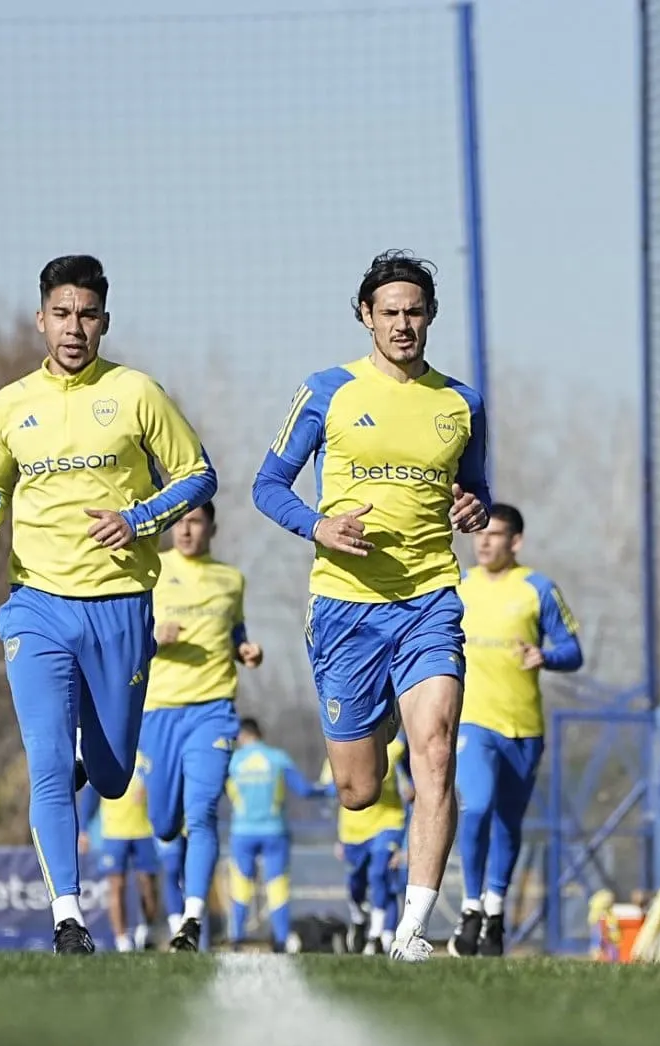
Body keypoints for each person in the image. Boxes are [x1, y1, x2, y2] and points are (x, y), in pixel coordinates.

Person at [0, 255, 216, 955]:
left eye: (88, 315)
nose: (74, 328)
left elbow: (198, 475)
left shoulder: (136, 393)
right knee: (46, 760)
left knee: (110, 774)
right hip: (36, 604)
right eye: (62, 314)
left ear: (105, 321)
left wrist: (137, 518)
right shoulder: (11, 404)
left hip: (120, 605)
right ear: (41, 319)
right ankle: (68, 916)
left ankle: (93, 753)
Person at [252, 249, 490, 962]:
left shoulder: (460, 403)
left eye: (415, 310)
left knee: (438, 751)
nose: (403, 324)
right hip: (345, 608)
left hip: (427, 601)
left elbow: (472, 493)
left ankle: (412, 929)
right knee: (358, 790)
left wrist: (473, 509)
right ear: (366, 316)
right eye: (389, 311)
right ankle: (378, 711)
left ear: (430, 316)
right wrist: (319, 525)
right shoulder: (327, 390)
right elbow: (268, 485)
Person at [449, 504, 583, 957]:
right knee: (477, 805)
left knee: (508, 822)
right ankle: (469, 908)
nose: (484, 542)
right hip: (471, 720)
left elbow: (572, 649)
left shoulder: (537, 589)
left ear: (516, 541)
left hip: (524, 727)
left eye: (496, 534)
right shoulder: (457, 585)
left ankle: (495, 913)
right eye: (479, 534)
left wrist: (546, 657)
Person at [138, 502, 263, 952]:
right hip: (159, 711)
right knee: (165, 823)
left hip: (213, 709)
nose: (186, 531)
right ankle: (181, 886)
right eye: (179, 524)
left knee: (203, 810)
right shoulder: (149, 570)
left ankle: (192, 919)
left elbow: (236, 632)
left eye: (195, 522)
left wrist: (245, 649)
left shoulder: (231, 579)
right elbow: (125, 639)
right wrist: (154, 638)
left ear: (212, 526)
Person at [226, 717, 327, 952]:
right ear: (260, 733)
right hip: (274, 831)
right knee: (277, 885)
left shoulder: (233, 762)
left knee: (241, 885)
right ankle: (281, 940)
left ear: (242, 736)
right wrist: (333, 790)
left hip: (242, 832)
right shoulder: (277, 758)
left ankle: (237, 939)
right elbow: (304, 790)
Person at [322, 733, 413, 955]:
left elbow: (414, 786)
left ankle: (378, 936)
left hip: (388, 824)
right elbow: (331, 792)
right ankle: (359, 918)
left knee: (379, 874)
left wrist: (406, 845)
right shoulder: (338, 751)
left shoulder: (396, 747)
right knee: (356, 886)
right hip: (353, 833)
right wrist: (339, 837)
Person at [78, 749, 159, 952]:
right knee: (116, 886)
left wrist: (150, 793)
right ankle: (121, 939)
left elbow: (161, 784)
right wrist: (84, 830)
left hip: (144, 830)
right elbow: (92, 792)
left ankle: (147, 929)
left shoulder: (147, 755)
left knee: (148, 885)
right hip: (114, 832)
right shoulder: (111, 754)